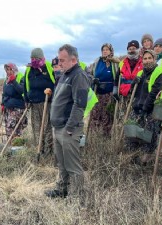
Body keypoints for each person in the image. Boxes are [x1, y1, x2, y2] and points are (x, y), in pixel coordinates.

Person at [46, 44, 90, 199]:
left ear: (74, 59)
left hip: (68, 128)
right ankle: (62, 190)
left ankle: (78, 197)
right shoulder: (65, 74)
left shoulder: (79, 76)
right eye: (59, 60)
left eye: (62, 60)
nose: (59, 63)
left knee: (73, 166)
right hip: (58, 127)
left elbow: (80, 104)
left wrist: (70, 127)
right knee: (62, 164)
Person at [125, 50, 162, 163]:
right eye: (145, 58)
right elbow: (131, 92)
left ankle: (146, 160)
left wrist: (145, 109)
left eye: (150, 58)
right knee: (131, 132)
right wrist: (133, 83)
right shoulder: (140, 73)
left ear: (154, 59)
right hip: (137, 108)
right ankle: (131, 156)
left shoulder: (160, 73)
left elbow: (154, 94)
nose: (147, 60)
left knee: (148, 136)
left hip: (151, 110)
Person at [23, 47, 55, 155]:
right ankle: (39, 151)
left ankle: (48, 151)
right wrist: (27, 99)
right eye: (32, 58)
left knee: (47, 128)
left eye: (36, 58)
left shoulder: (49, 67)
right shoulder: (29, 69)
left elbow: (56, 82)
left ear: (41, 57)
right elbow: (25, 85)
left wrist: (52, 93)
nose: (34, 60)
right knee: (36, 128)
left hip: (47, 102)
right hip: (34, 103)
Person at [87, 43, 120, 134]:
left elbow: (118, 75)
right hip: (97, 92)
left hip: (109, 93)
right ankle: (94, 136)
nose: (105, 51)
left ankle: (106, 137)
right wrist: (93, 80)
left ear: (111, 51)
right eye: (103, 50)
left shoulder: (114, 62)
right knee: (95, 115)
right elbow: (90, 74)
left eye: (107, 49)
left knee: (107, 115)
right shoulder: (97, 62)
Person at [1, 63, 28, 140]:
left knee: (14, 128)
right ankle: (11, 146)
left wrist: (14, 81)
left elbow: (22, 91)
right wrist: (2, 104)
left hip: (17, 107)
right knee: (8, 127)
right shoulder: (6, 79)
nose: (9, 72)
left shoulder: (21, 77)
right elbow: (4, 93)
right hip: (8, 107)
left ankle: (16, 146)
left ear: (14, 69)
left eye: (10, 69)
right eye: (7, 70)